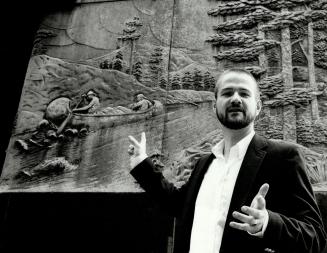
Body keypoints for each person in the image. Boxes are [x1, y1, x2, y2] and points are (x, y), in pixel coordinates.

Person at [127, 69, 326, 253]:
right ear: (214, 107)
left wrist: (267, 223)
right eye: (227, 93)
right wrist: (141, 163)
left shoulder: (283, 157)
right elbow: (176, 204)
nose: (235, 99)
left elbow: (315, 237)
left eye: (244, 94)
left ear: (258, 107)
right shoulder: (205, 162)